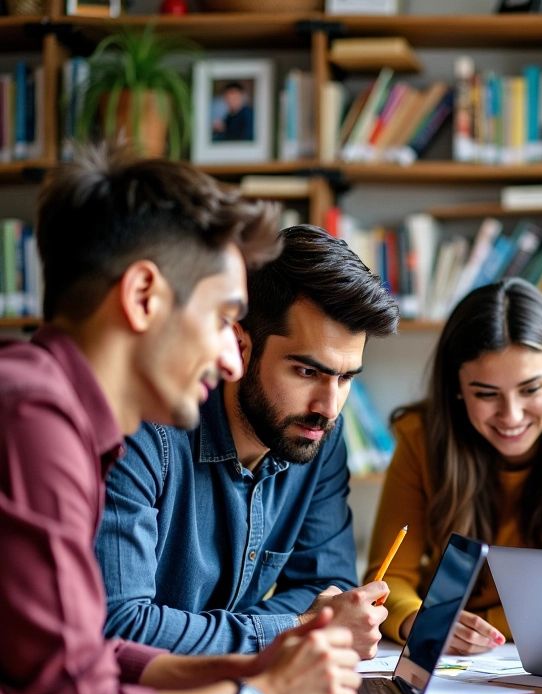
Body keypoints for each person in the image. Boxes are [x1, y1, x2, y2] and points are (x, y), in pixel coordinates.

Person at [0, 148, 398, 694]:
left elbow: (94, 656)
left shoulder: (57, 412)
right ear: (145, 299)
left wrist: (244, 673)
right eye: (224, 318)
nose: (228, 352)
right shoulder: (36, 417)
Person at [96, 224, 400, 660]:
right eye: (307, 372)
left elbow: (324, 588)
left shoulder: (315, 436)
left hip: (229, 691)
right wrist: (292, 630)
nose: (329, 407)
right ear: (239, 347)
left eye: (345, 377)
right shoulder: (142, 431)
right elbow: (120, 626)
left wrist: (287, 627)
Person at [364, 277, 542, 655]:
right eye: (485, 394)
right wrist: (420, 621)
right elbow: (388, 579)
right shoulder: (420, 434)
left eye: (531, 389)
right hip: (450, 648)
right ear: (457, 389)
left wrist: (477, 623)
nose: (511, 415)